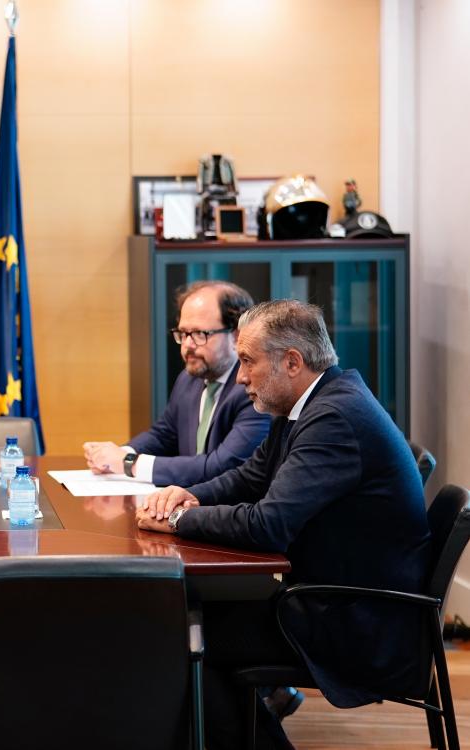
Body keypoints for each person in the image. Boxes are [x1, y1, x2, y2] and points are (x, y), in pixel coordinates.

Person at [137, 299, 430, 750]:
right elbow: (252, 476)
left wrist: (179, 520)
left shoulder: (333, 418)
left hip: (355, 621)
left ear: (292, 362)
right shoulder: (309, 403)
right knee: (188, 619)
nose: (240, 376)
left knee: (182, 640)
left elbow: (267, 525)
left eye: (248, 361)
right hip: (327, 598)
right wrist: (191, 495)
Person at [85, 280, 270, 486]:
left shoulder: (254, 388)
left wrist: (129, 463)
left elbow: (222, 467)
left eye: (200, 334)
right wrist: (117, 454)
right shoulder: (188, 379)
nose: (188, 345)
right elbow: (164, 435)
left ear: (236, 335)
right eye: (183, 333)